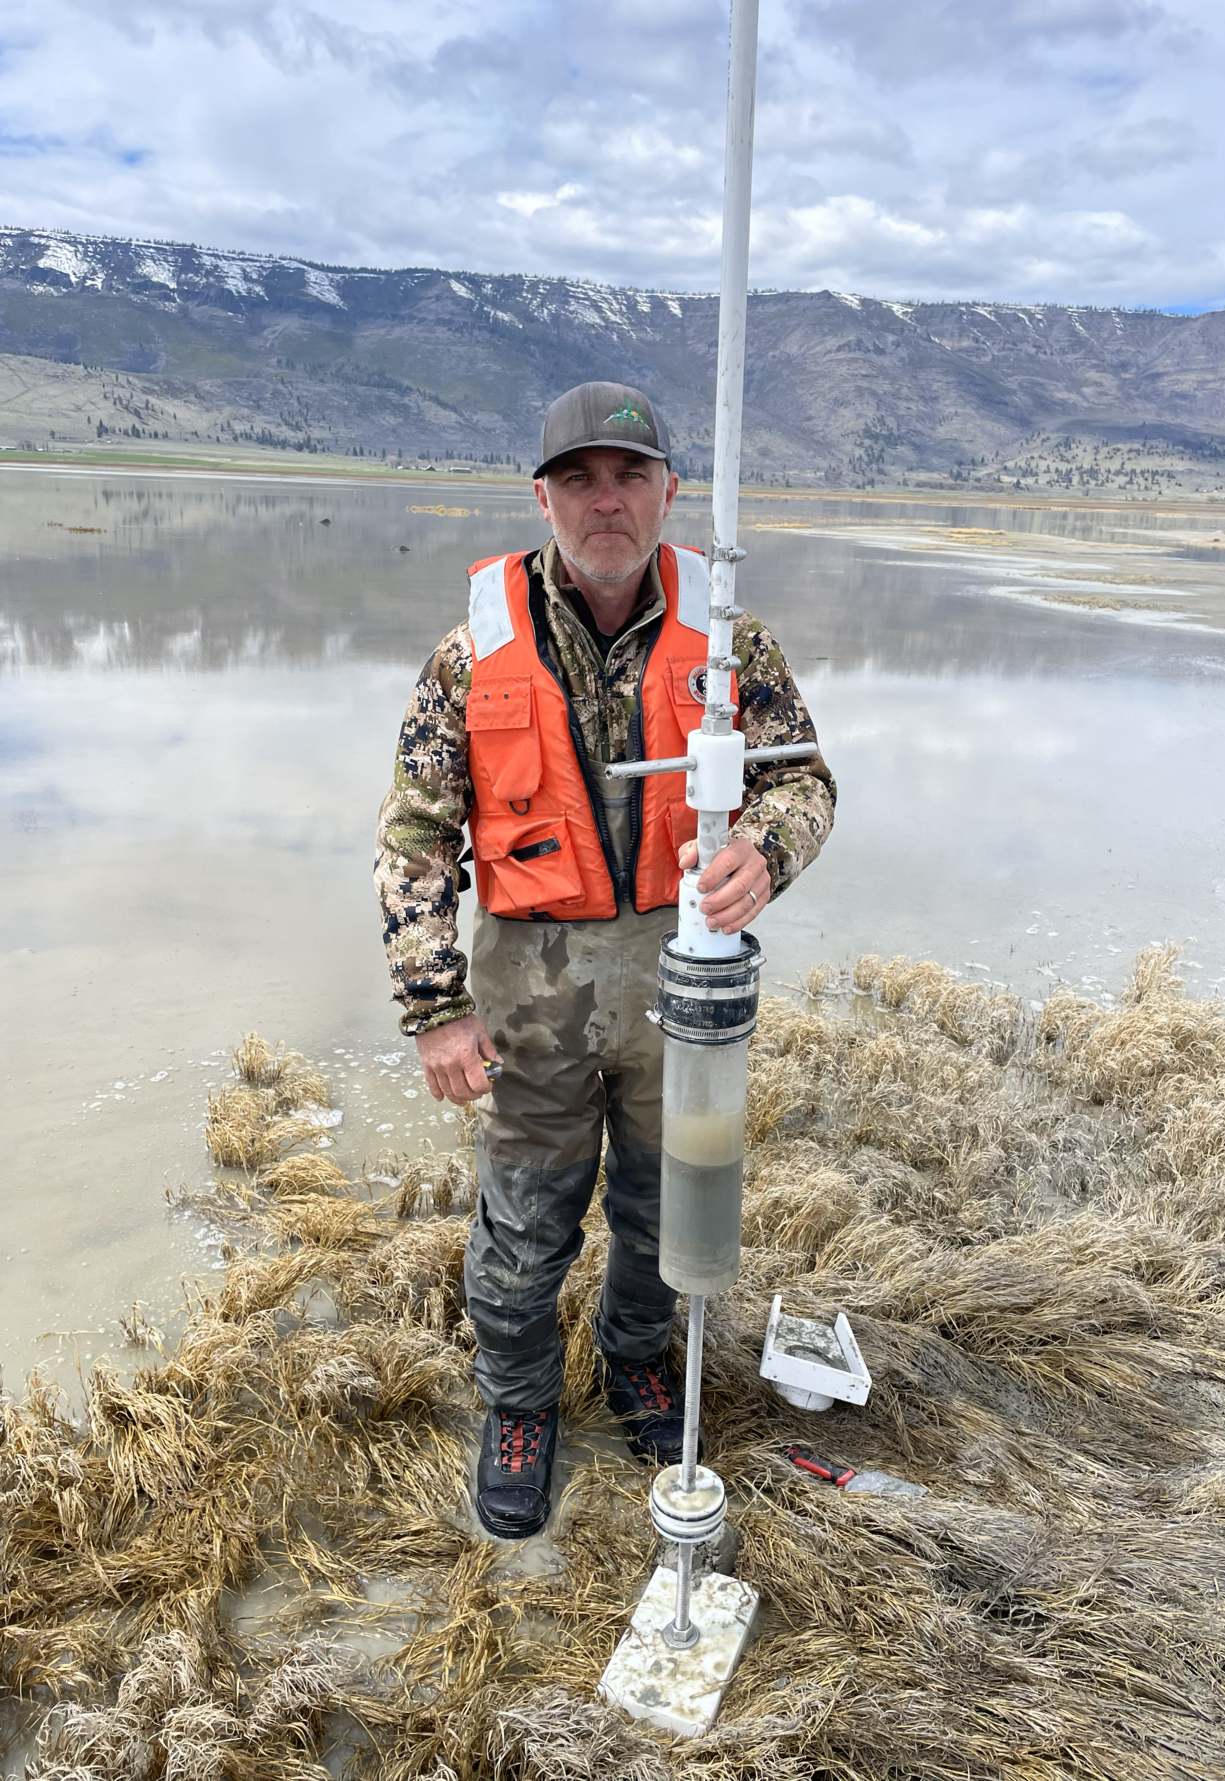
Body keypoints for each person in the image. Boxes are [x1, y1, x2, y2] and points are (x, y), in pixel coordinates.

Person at [375, 380, 835, 1539]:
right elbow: (417, 840)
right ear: (542, 496)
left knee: (660, 1196)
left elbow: (803, 778)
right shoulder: (466, 655)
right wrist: (435, 1005)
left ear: (670, 490)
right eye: (578, 477)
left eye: (630, 475)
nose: (607, 500)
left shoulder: (732, 641)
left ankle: (635, 1361)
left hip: (684, 972)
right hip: (533, 979)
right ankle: (520, 1403)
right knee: (527, 1215)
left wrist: (768, 856)